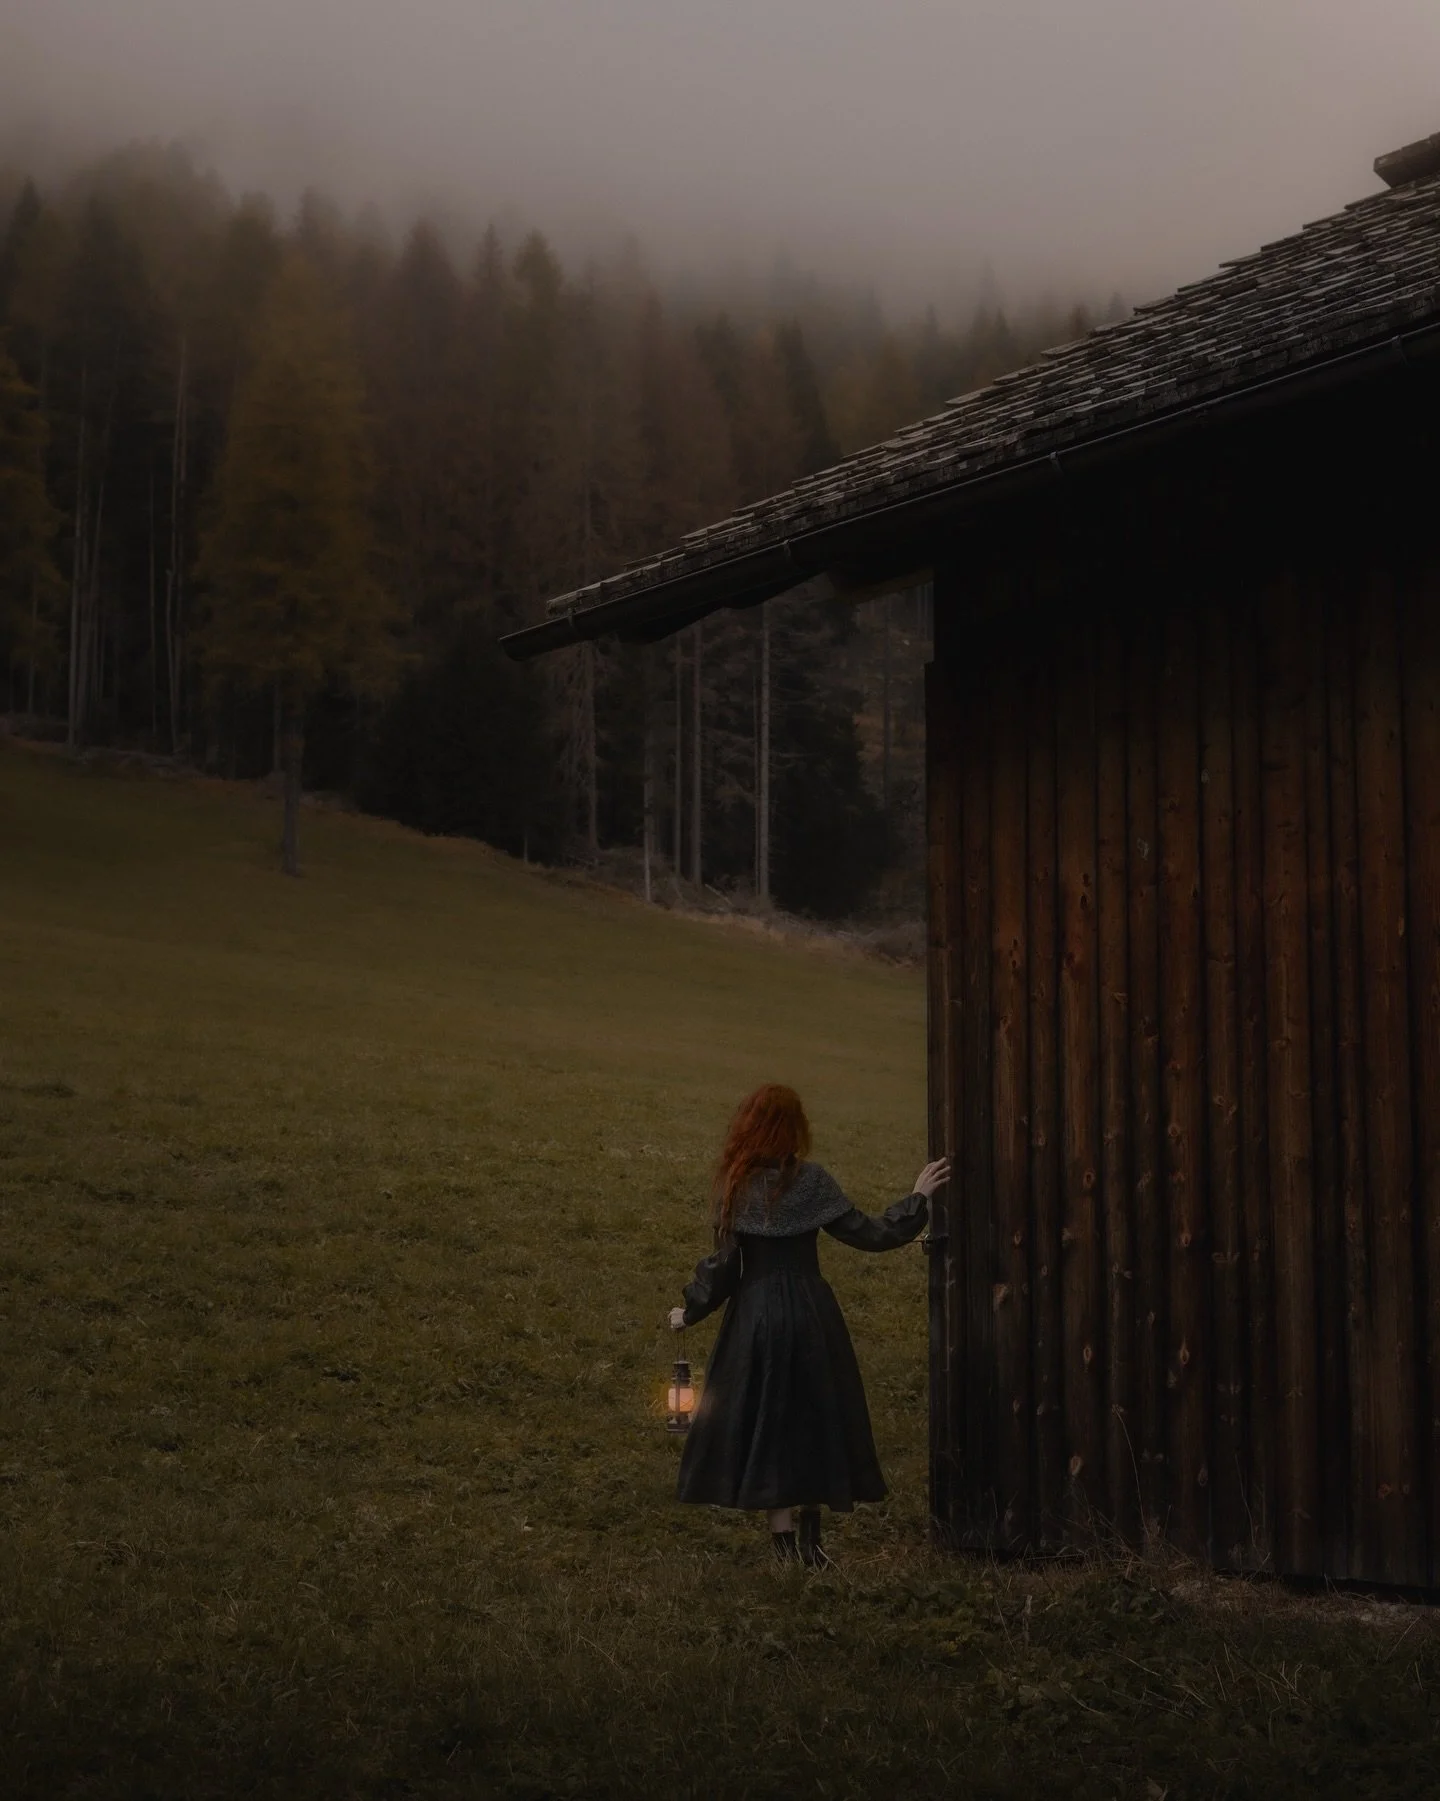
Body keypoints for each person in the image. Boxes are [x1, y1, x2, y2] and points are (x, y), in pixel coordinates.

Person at [667, 1082, 950, 1567]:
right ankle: (813, 1546)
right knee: (814, 1417)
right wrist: (917, 1200)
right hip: (810, 1316)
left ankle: (782, 1545)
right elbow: (873, 1234)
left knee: (771, 1425)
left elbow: (725, 1267)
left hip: (755, 1321)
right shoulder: (812, 1182)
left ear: (748, 1128)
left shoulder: (736, 1185)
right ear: (795, 1128)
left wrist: (689, 1309)